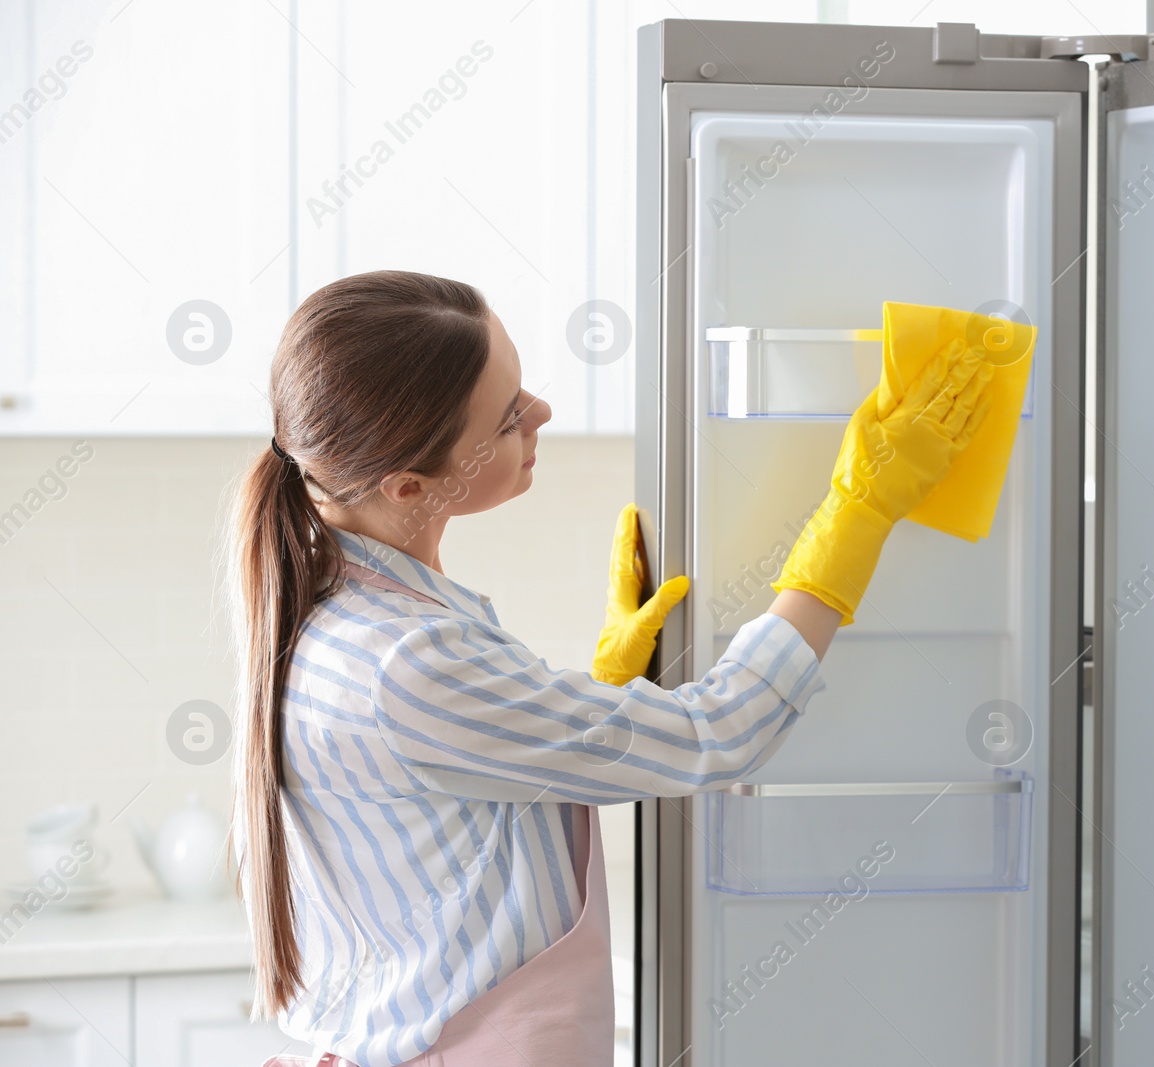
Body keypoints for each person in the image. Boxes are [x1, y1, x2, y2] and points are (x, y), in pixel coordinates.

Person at [227, 270, 993, 1066]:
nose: (541, 414)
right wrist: (859, 514)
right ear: (410, 484)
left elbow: (471, 812)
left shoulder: (341, 612)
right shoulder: (406, 661)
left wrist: (603, 694)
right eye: (507, 417)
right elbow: (718, 733)